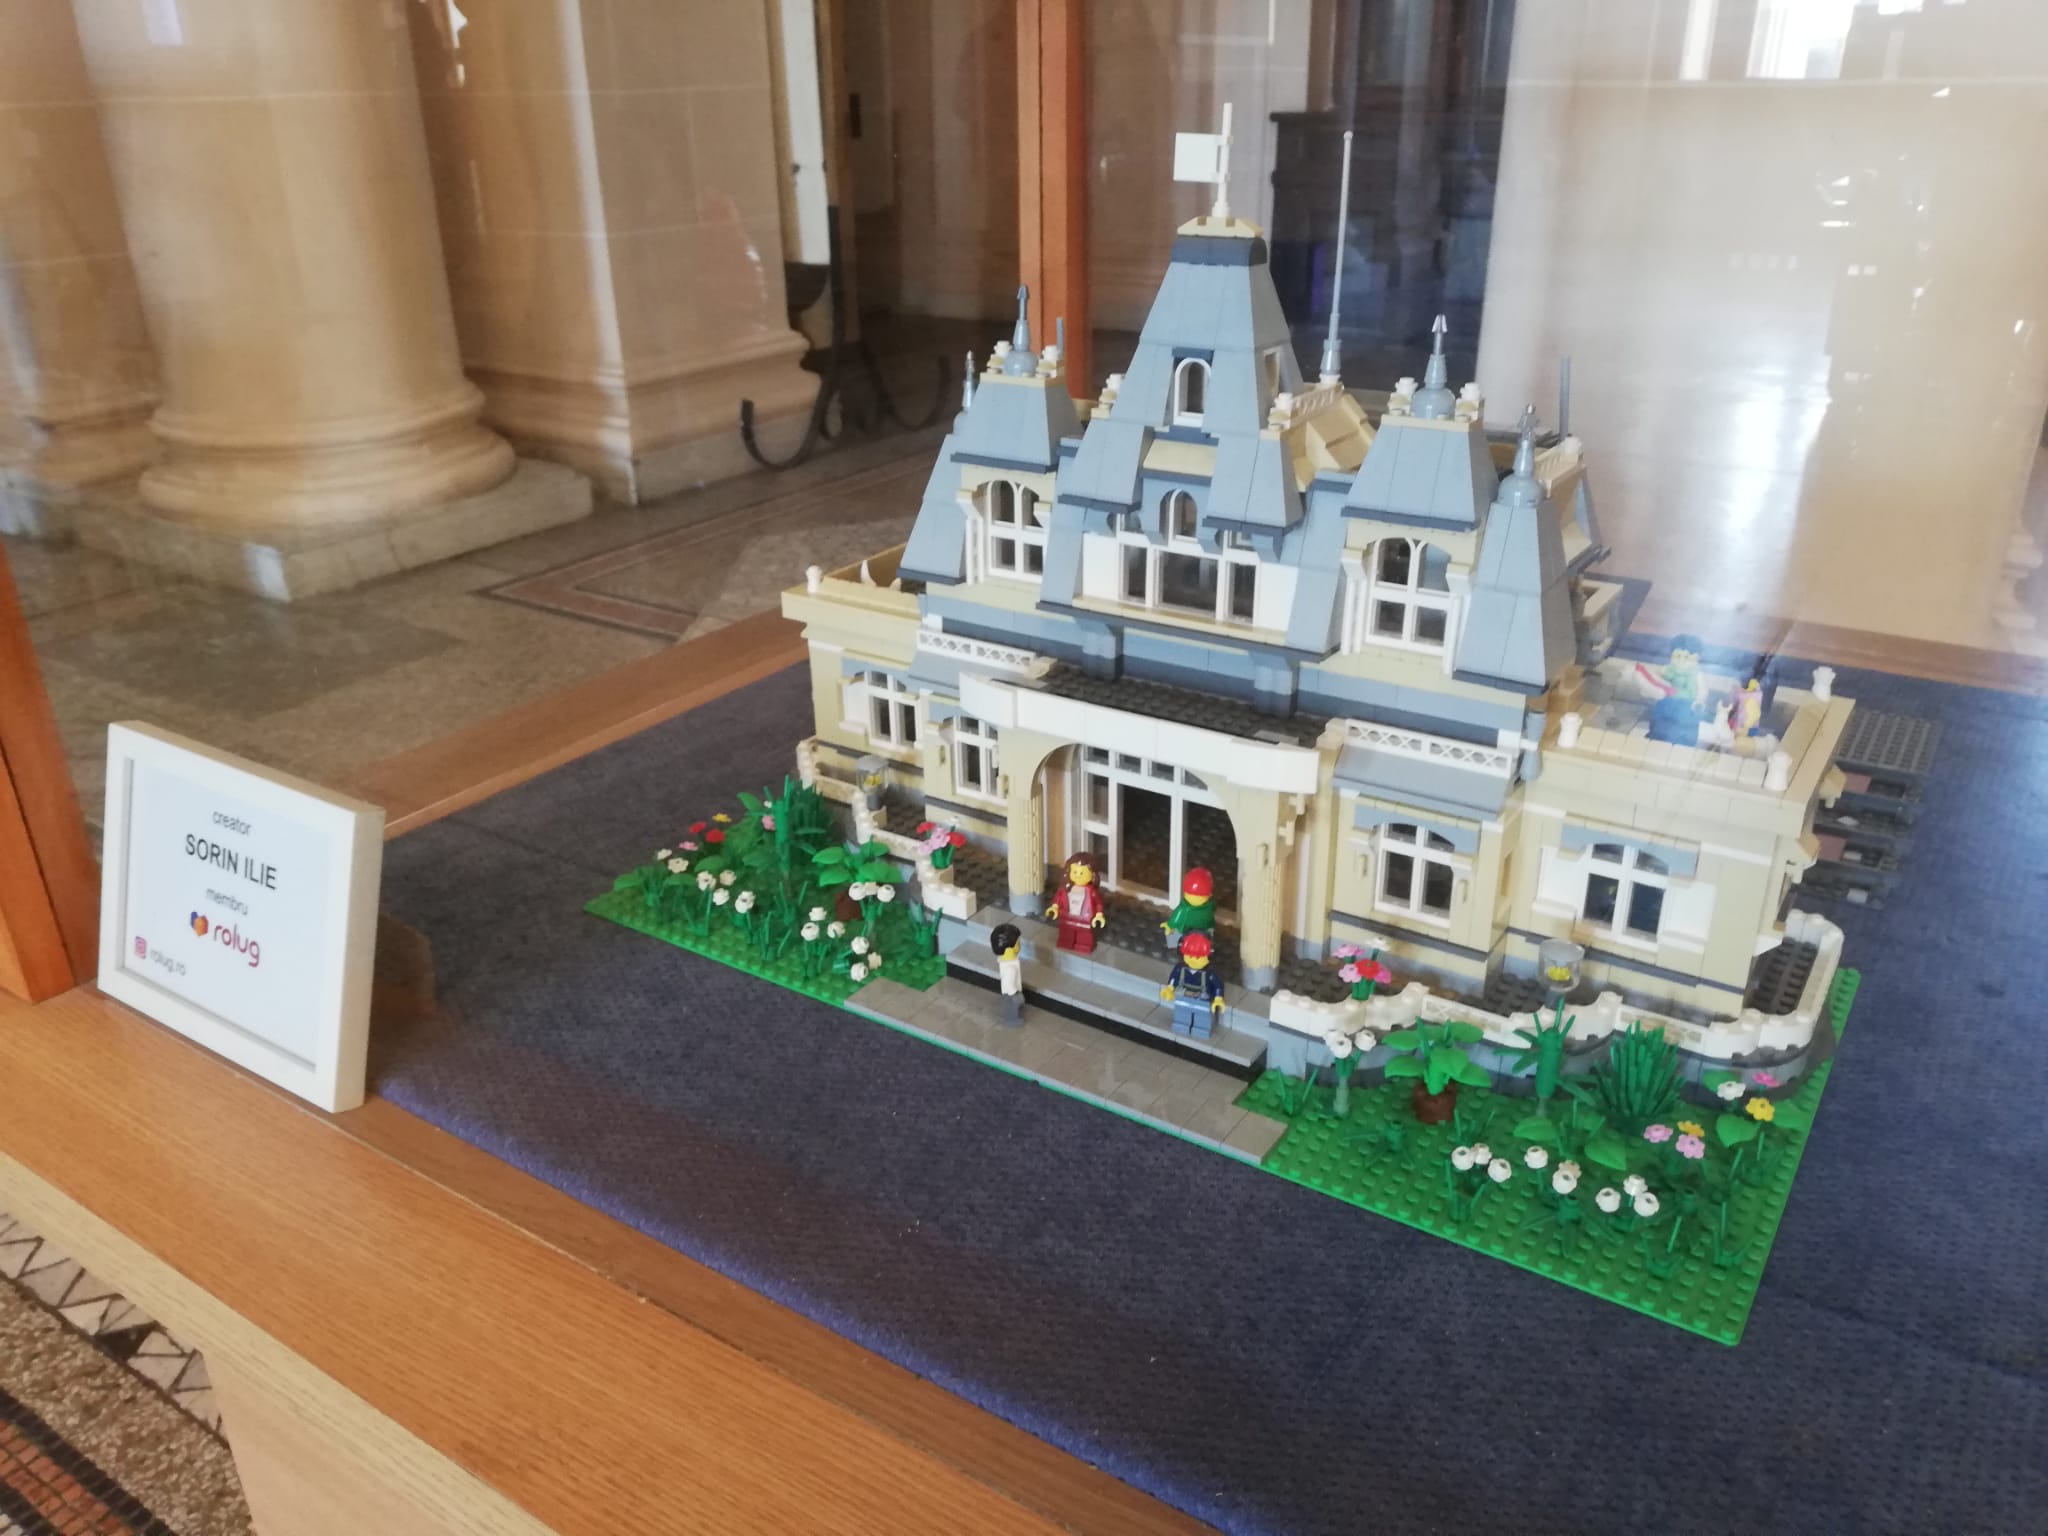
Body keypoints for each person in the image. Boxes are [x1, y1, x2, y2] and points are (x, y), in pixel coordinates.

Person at [1159, 931, 1226, 1040]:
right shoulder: (1180, 969)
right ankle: (1181, 1025)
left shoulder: (1209, 974)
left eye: (1198, 957)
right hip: (1183, 996)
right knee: (1181, 1013)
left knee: (1202, 1016)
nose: (1193, 960)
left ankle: (1201, 1030)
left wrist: (1218, 999)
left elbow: (1218, 985)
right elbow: (1173, 979)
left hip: (1202, 999)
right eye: (1190, 956)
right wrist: (1169, 989)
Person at [1046, 851, 1106, 955]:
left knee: (1085, 935)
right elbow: (1058, 898)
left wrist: (1099, 915)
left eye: (1082, 873)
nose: (1078, 875)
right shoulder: (1066, 888)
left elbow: (1098, 903)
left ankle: (1084, 945)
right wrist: (1054, 908)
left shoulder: (1092, 892)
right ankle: (1066, 943)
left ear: (1092, 875)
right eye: (1075, 872)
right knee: (1066, 932)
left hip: (1085, 918)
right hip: (1067, 916)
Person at [1159, 866, 1217, 945]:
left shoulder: (1184, 908)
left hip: (1186, 930)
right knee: (1209, 932)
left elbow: (1175, 919)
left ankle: (1173, 944)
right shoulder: (1209, 906)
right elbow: (1214, 907)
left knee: (1174, 934)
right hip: (1204, 929)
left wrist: (1169, 925)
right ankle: (1209, 943)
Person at [990, 923, 1024, 1025]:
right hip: (1010, 995)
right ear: (1009, 948)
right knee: (1011, 1008)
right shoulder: (1010, 967)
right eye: (1018, 942)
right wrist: (1015, 995)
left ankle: (1013, 1018)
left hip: (1010, 993)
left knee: (1012, 1008)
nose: (1020, 944)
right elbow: (1008, 984)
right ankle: (1012, 1021)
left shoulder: (1007, 962)